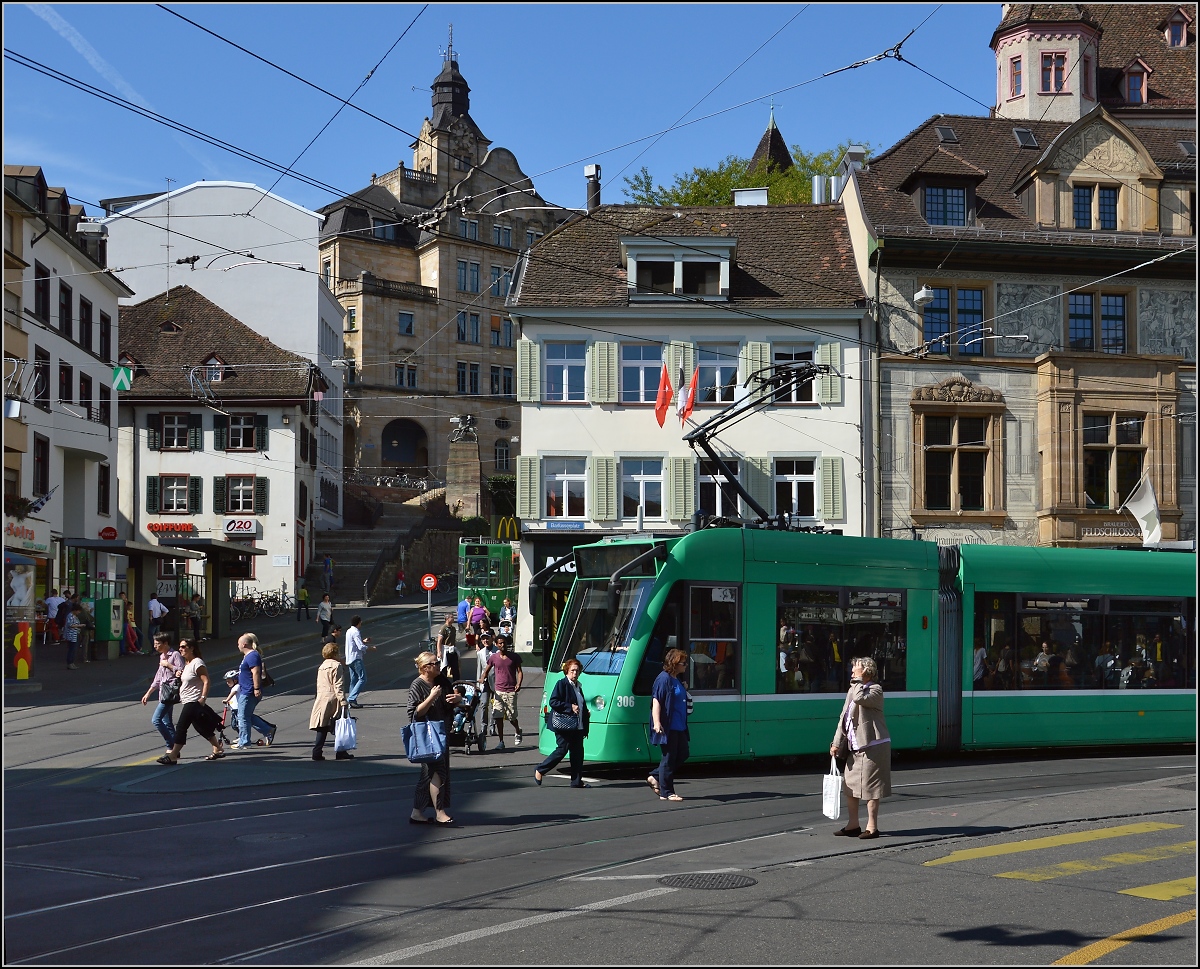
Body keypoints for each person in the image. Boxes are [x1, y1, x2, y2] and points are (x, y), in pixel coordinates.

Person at [830, 656, 891, 840]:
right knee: (851, 787)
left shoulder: (875, 690)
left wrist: (858, 680)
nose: (851, 672)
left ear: (866, 671)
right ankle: (853, 825)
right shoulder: (853, 689)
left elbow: (859, 698)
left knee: (871, 789)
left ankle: (872, 827)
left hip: (873, 747)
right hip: (853, 748)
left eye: (855, 669)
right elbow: (844, 717)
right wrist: (835, 742)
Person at [406, 651, 459, 825]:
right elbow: (414, 713)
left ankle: (416, 812)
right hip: (428, 736)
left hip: (442, 733)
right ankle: (439, 812)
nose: (438, 665)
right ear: (424, 668)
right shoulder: (417, 685)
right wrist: (431, 697)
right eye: (434, 663)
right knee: (438, 771)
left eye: (437, 662)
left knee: (427, 775)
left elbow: (449, 703)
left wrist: (457, 699)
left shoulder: (442, 681)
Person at [158, 640, 225, 764]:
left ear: (192, 648)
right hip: (188, 700)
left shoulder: (197, 663)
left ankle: (173, 755)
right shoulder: (187, 664)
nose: (181, 649)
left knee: (181, 727)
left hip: (194, 701)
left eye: (183, 647)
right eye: (180, 647)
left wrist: (203, 697)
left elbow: (206, 681)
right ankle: (217, 748)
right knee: (200, 726)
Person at [534, 658, 591, 788]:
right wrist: (570, 707)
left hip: (577, 725)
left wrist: (585, 712)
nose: (575, 673)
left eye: (577, 671)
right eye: (573, 671)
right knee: (561, 750)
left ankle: (576, 782)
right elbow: (553, 701)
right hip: (564, 725)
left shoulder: (578, 686)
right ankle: (540, 769)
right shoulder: (562, 684)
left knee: (577, 754)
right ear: (567, 671)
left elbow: (580, 703)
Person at [648, 647, 689, 802]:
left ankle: (655, 776)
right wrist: (657, 723)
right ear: (674, 663)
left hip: (680, 725)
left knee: (683, 753)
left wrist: (683, 689)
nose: (685, 665)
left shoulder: (676, 679)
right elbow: (656, 701)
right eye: (683, 663)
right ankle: (667, 792)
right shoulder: (663, 679)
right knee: (669, 758)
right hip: (668, 725)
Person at [232, 632, 276, 749]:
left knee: (243, 717)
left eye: (239, 643)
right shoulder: (249, 656)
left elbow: (256, 672)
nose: (238, 646)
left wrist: (256, 688)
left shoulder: (252, 656)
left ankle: (244, 741)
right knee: (246, 715)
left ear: (244, 644)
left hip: (249, 691)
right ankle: (268, 730)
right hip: (246, 689)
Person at [141, 632, 183, 752]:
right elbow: (158, 677)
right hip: (163, 692)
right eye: (154, 643)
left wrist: (169, 665)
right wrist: (148, 693)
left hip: (170, 693)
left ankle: (170, 746)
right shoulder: (162, 656)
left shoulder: (175, 655)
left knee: (156, 720)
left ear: (165, 643)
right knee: (167, 722)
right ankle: (175, 749)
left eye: (157, 643)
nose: (155, 646)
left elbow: (181, 671)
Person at [309, 641, 350, 761]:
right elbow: (338, 685)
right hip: (333, 698)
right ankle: (341, 751)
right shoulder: (336, 666)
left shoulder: (321, 666)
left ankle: (317, 752)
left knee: (323, 726)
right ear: (335, 653)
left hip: (322, 698)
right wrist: (343, 701)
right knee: (339, 724)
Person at [485, 635, 523, 750]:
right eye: (500, 643)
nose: (502, 645)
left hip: (511, 690)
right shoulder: (493, 658)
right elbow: (486, 670)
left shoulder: (514, 657)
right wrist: (482, 679)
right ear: (496, 644)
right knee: (498, 716)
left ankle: (517, 730)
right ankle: (501, 741)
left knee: (511, 716)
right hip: (498, 690)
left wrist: (519, 684)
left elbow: (520, 672)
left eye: (504, 643)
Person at [344, 615, 375, 709]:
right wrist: (370, 648)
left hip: (349, 658)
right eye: (361, 622)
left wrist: (363, 641)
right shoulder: (356, 632)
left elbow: (354, 644)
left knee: (353, 680)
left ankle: (351, 700)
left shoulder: (349, 631)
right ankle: (351, 699)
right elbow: (360, 647)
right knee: (363, 678)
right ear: (359, 622)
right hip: (356, 658)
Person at [436, 614, 460, 681]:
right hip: (445, 649)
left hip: (452, 649)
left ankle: (456, 681)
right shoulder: (443, 628)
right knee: (444, 667)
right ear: (447, 619)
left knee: (455, 667)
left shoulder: (453, 628)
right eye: (451, 617)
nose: (453, 618)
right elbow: (439, 641)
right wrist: (439, 652)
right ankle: (444, 682)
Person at [62, 602, 83, 670]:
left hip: (74, 634)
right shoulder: (70, 616)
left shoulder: (73, 616)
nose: (79, 613)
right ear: (75, 610)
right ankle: (70, 663)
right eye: (78, 611)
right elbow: (70, 625)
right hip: (71, 635)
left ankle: (72, 663)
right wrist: (80, 625)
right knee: (72, 649)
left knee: (73, 649)